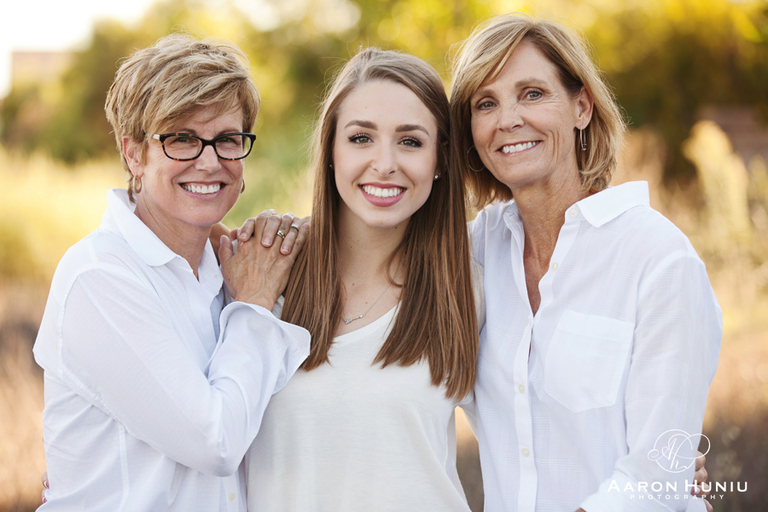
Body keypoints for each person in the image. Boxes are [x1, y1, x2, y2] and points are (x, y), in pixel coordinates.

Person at [449, 13, 722, 512]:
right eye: (485, 103)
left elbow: (658, 480)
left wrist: (677, 475)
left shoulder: (658, 259)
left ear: (581, 106)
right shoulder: (471, 252)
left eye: (532, 93)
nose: (508, 119)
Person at [33, 34, 310, 510]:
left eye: (227, 139)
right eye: (181, 138)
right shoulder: (100, 277)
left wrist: (283, 244)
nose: (209, 160)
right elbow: (216, 442)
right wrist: (253, 303)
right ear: (134, 154)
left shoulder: (227, 268)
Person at [242, 48, 481, 512]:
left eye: (410, 141)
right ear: (331, 150)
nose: (385, 163)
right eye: (360, 138)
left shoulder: (470, 287)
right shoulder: (263, 274)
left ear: (440, 160)